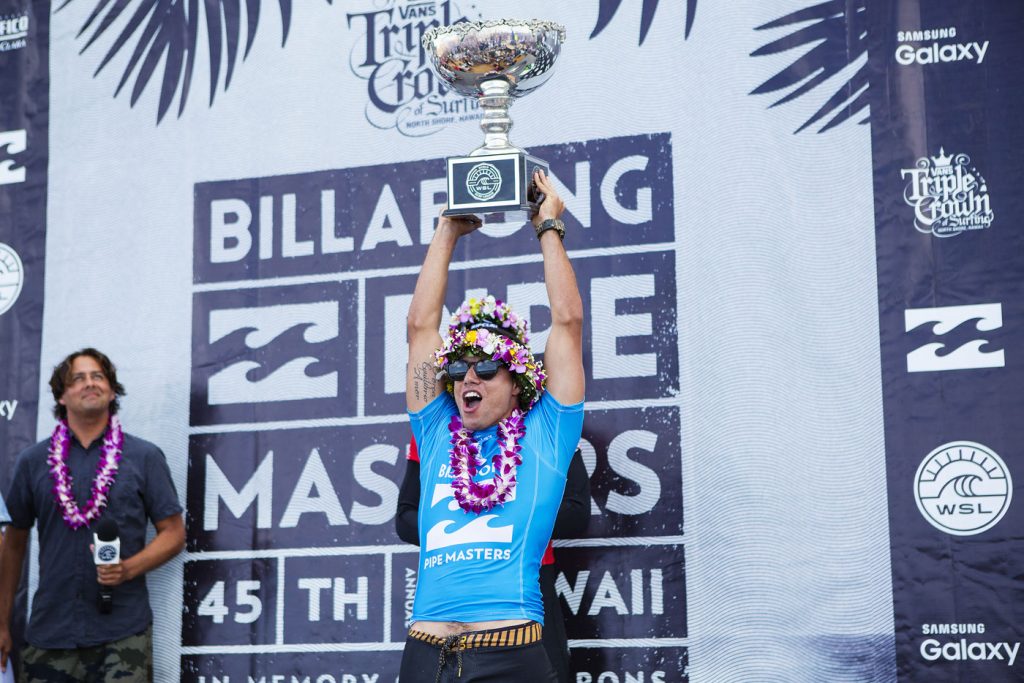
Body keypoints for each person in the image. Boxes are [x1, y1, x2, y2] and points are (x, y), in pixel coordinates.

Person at [401, 169, 585, 682]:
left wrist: (548, 227)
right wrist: (447, 231)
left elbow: (567, 324)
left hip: (509, 657)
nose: (467, 378)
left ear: (519, 381)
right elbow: (420, 328)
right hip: (424, 654)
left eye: (485, 367)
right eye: (458, 368)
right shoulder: (437, 432)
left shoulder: (548, 434)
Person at [0, 348, 186, 682]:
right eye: (78, 378)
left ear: (112, 391)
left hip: (122, 632)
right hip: (50, 633)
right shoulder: (32, 462)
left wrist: (127, 569)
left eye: (98, 376)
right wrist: (1, 622)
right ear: (61, 396)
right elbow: (13, 544)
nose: (90, 383)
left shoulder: (144, 457)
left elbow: (173, 533)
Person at [395, 437, 590, 681]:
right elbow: (405, 519)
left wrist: (505, 525)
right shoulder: (434, 429)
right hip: (451, 587)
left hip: (526, 583)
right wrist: (472, 529)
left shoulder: (546, 424)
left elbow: (576, 514)